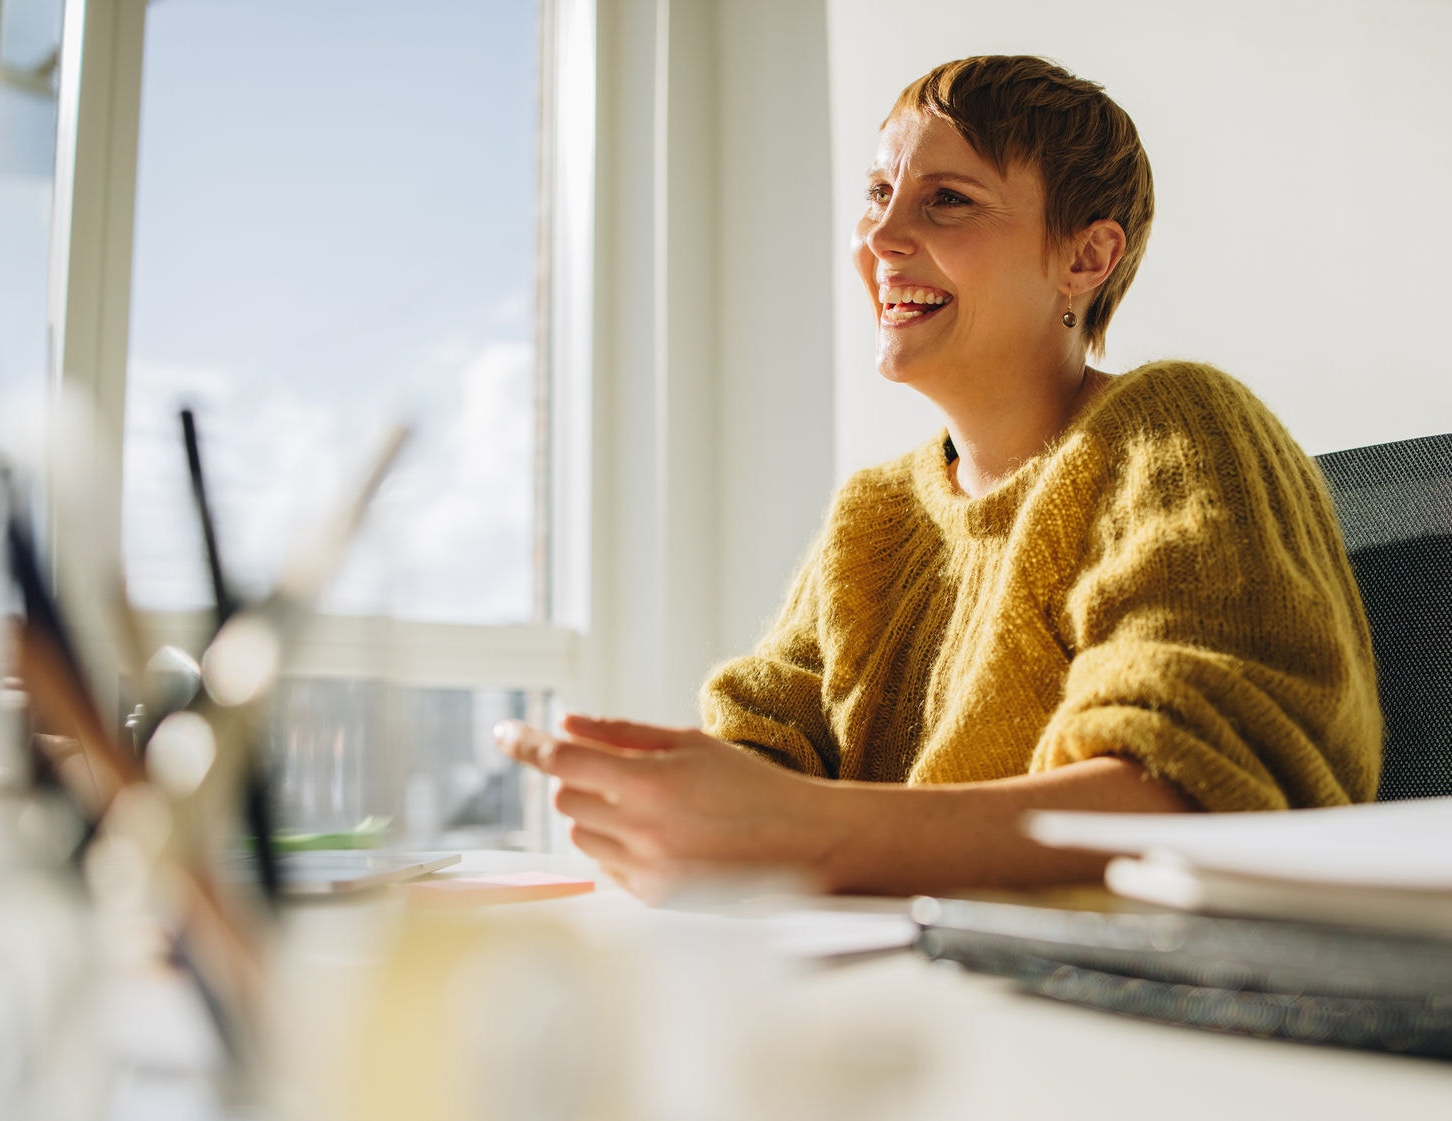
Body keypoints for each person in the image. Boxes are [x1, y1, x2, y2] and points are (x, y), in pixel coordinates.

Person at [496, 55, 1381, 901]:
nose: (879, 238)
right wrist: (692, 820)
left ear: (1084, 258)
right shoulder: (873, 518)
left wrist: (807, 832)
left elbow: (1195, 794)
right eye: (879, 194)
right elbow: (766, 748)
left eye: (947, 200)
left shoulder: (1175, 428)